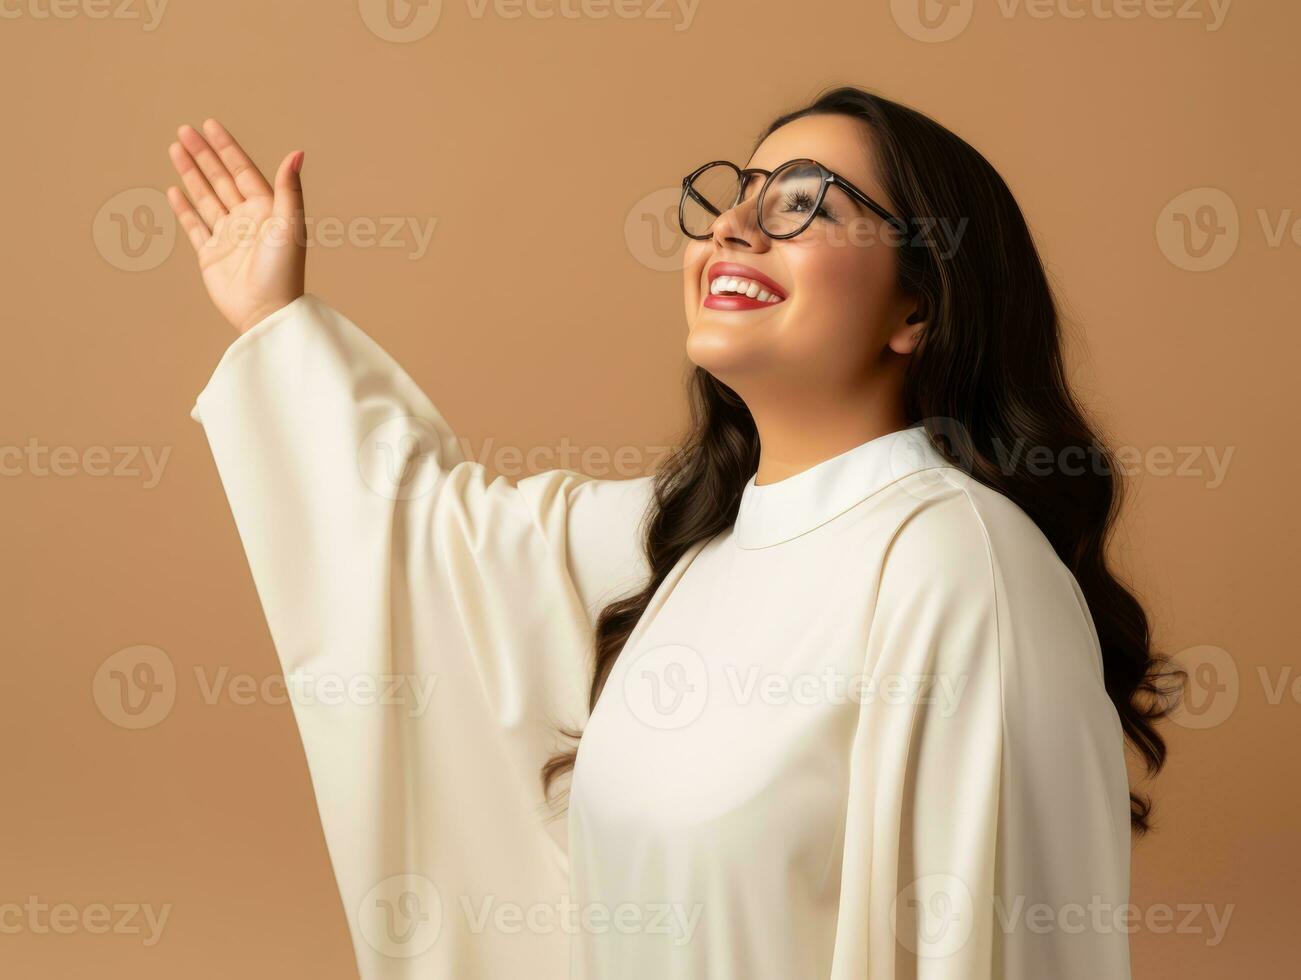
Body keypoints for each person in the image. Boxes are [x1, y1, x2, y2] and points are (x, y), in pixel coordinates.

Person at [168, 85, 1176, 979]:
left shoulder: (956, 565)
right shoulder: (689, 548)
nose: (734, 224)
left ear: (915, 303)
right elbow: (430, 545)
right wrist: (276, 324)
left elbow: (999, 947)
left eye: (801, 202)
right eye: (735, 194)